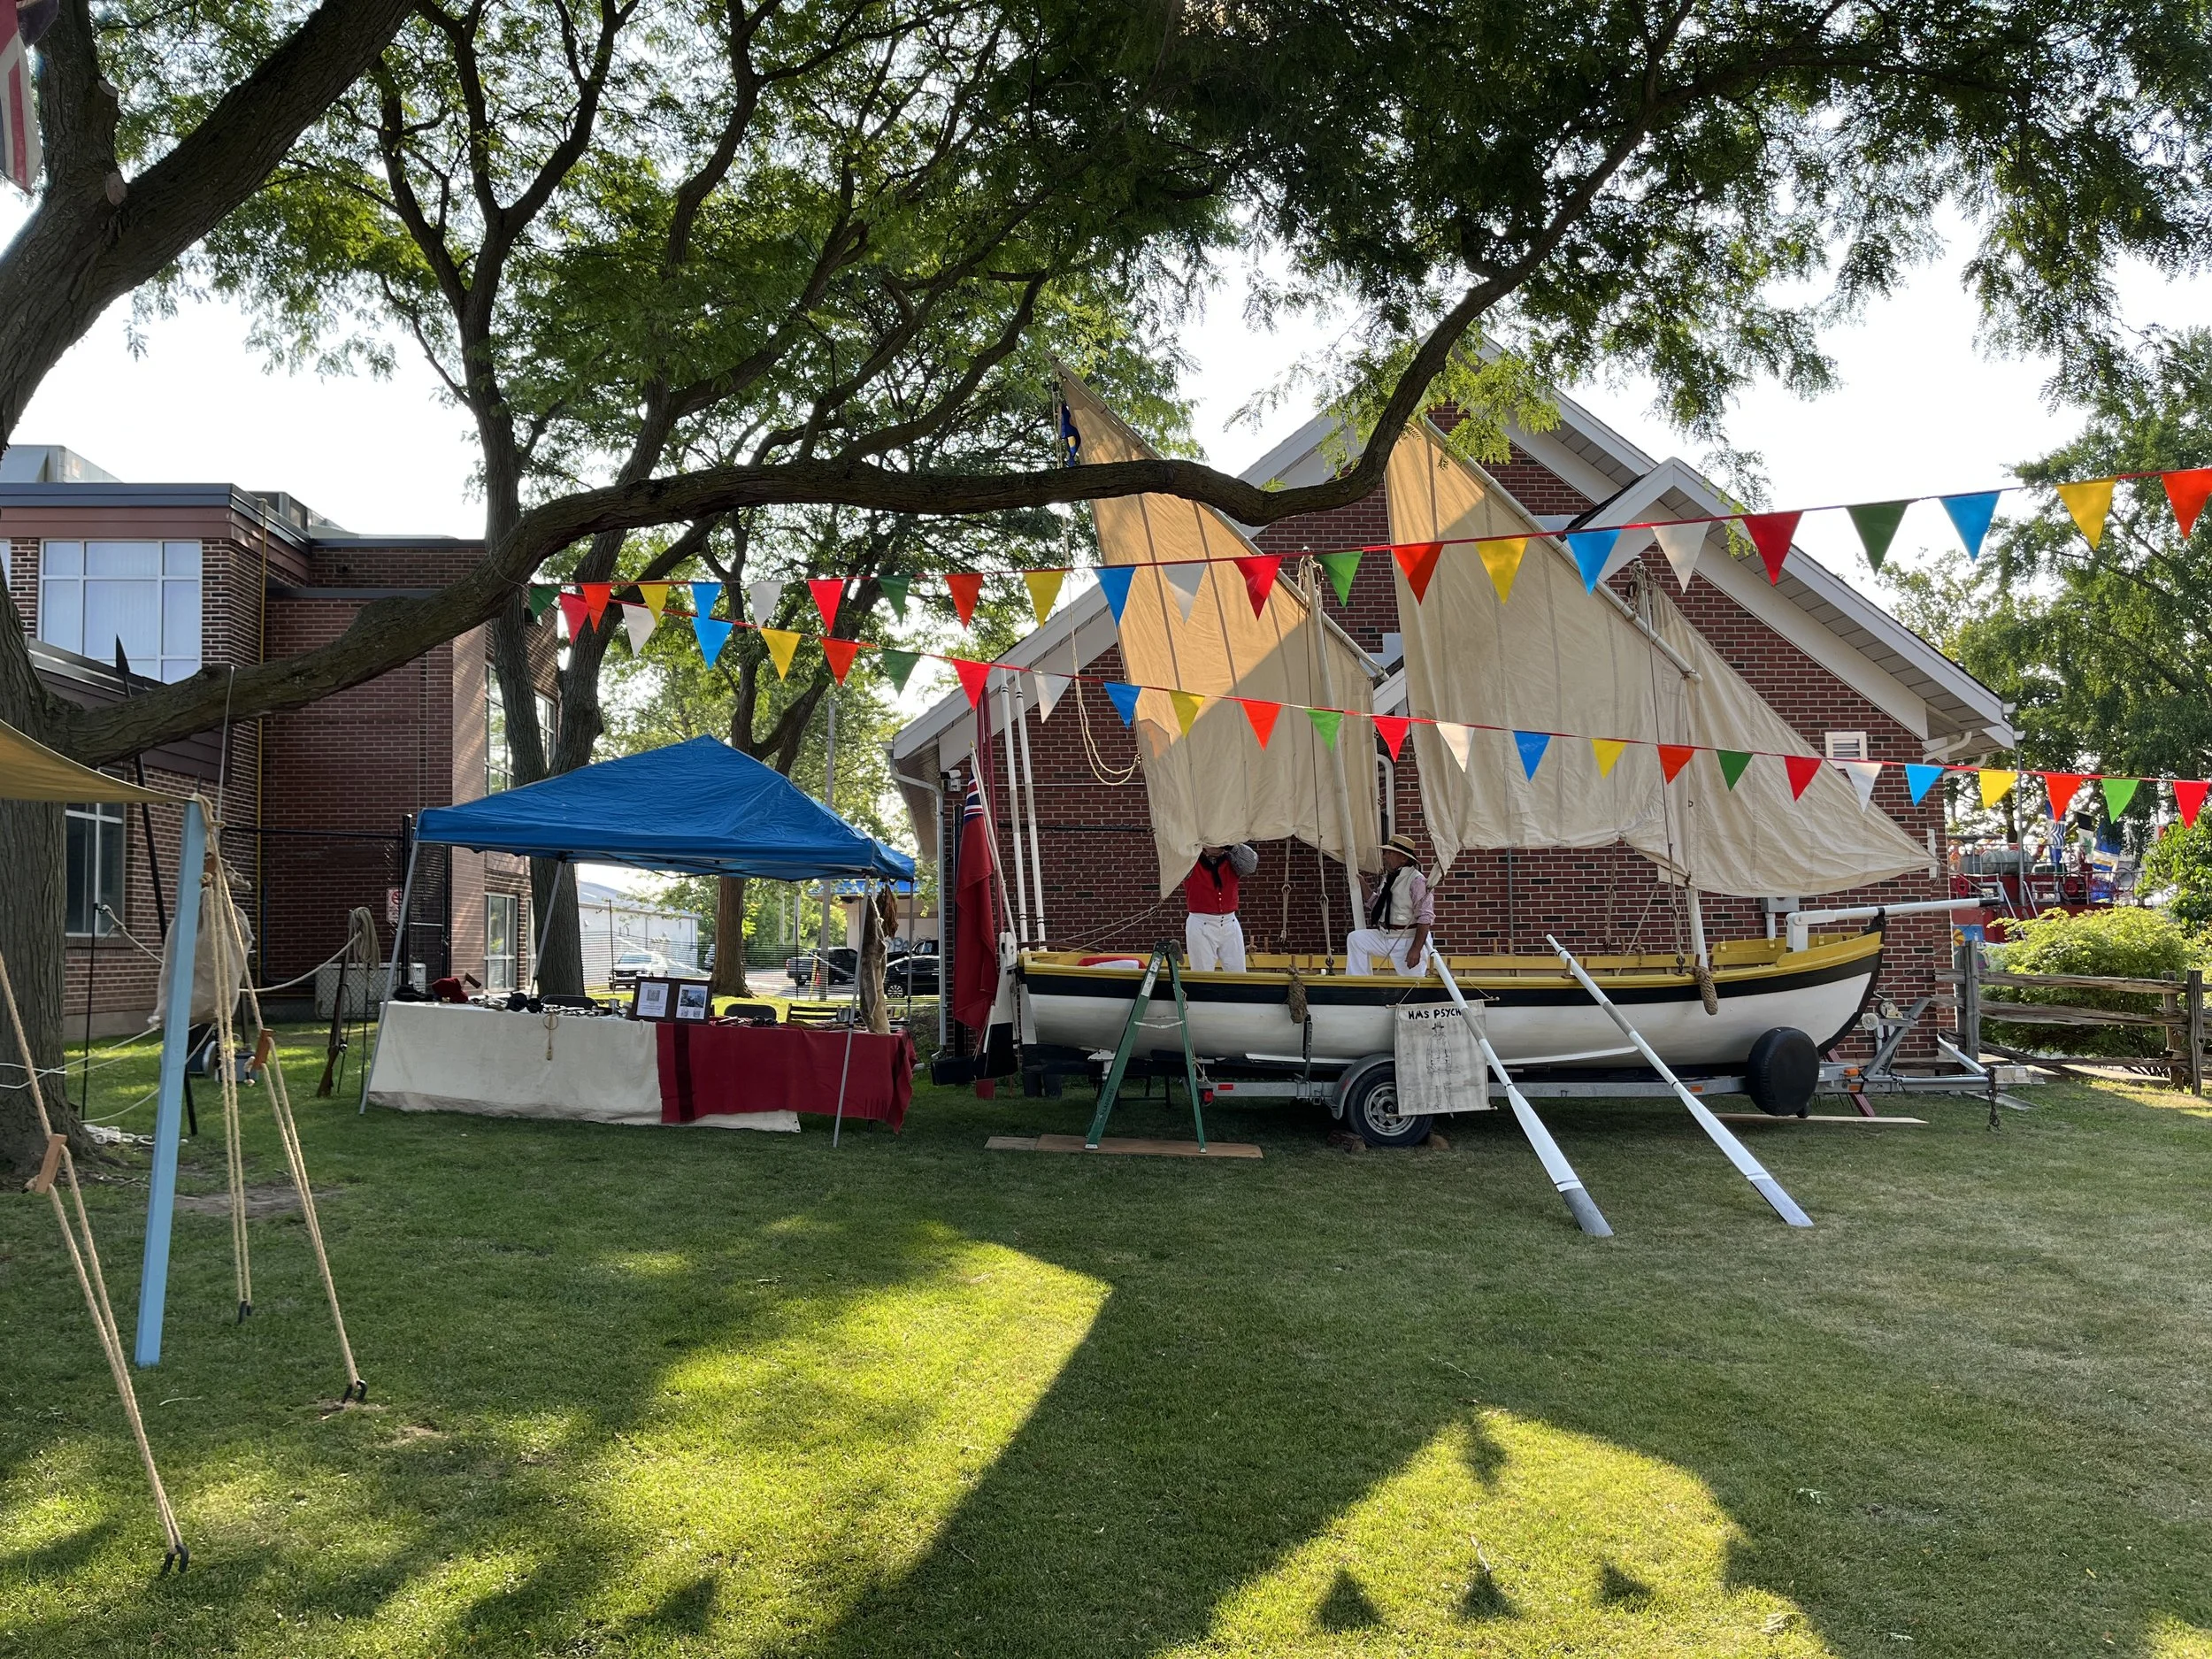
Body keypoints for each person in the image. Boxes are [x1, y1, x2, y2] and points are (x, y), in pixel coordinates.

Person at [1347, 833, 1434, 975]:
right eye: (1385, 852)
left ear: (1403, 858)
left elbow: (1425, 917)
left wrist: (1416, 949)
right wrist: (1362, 884)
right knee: (1356, 939)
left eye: (1389, 853)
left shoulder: (1417, 881)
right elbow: (1379, 906)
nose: (1384, 856)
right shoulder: (1390, 878)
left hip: (1407, 940)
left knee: (1412, 985)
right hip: (1385, 935)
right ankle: (1360, 986)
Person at [1183, 841, 1258, 972]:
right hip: (1201, 923)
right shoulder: (1191, 860)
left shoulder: (1233, 859)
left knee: (1238, 973)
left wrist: (1232, 846)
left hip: (1230, 922)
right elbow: (1177, 856)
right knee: (1202, 974)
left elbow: (1250, 865)